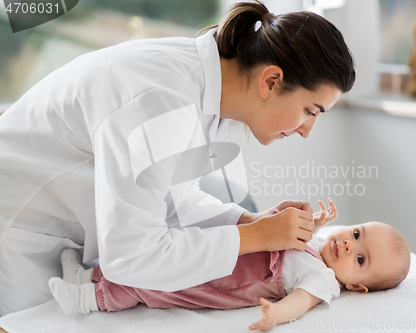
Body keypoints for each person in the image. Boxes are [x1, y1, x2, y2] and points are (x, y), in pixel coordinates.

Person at [0, 0, 355, 315]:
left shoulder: (204, 89)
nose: (307, 130)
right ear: (271, 82)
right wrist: (258, 237)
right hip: (17, 234)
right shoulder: (164, 103)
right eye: (310, 111)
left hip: (53, 233)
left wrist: (248, 220)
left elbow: (169, 199)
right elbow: (131, 257)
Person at [48, 199, 411, 333]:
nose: (349, 244)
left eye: (360, 259)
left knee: (160, 285)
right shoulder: (319, 245)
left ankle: (85, 300)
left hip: (226, 282)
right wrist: (314, 223)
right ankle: (86, 276)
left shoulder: (324, 280)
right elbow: (304, 242)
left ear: (357, 287)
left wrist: (276, 316)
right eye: (358, 233)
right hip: (227, 251)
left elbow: (301, 301)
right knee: (168, 253)